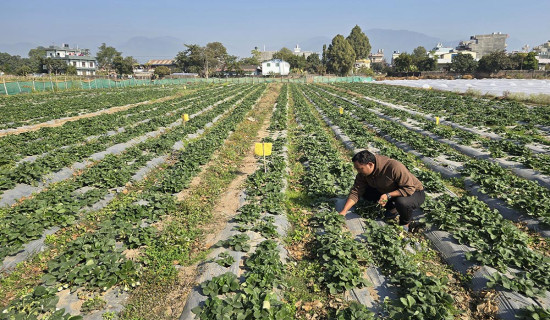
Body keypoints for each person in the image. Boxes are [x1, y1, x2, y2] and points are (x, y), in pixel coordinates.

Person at [338, 150, 425, 232]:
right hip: (389, 191)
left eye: (360, 168)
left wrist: (388, 195)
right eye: (357, 169)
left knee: (402, 202)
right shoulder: (362, 174)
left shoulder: (393, 167)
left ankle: (405, 223)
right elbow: (356, 191)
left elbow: (409, 188)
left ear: (370, 164)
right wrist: (344, 211)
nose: (358, 171)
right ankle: (393, 209)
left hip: (414, 193)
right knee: (366, 192)